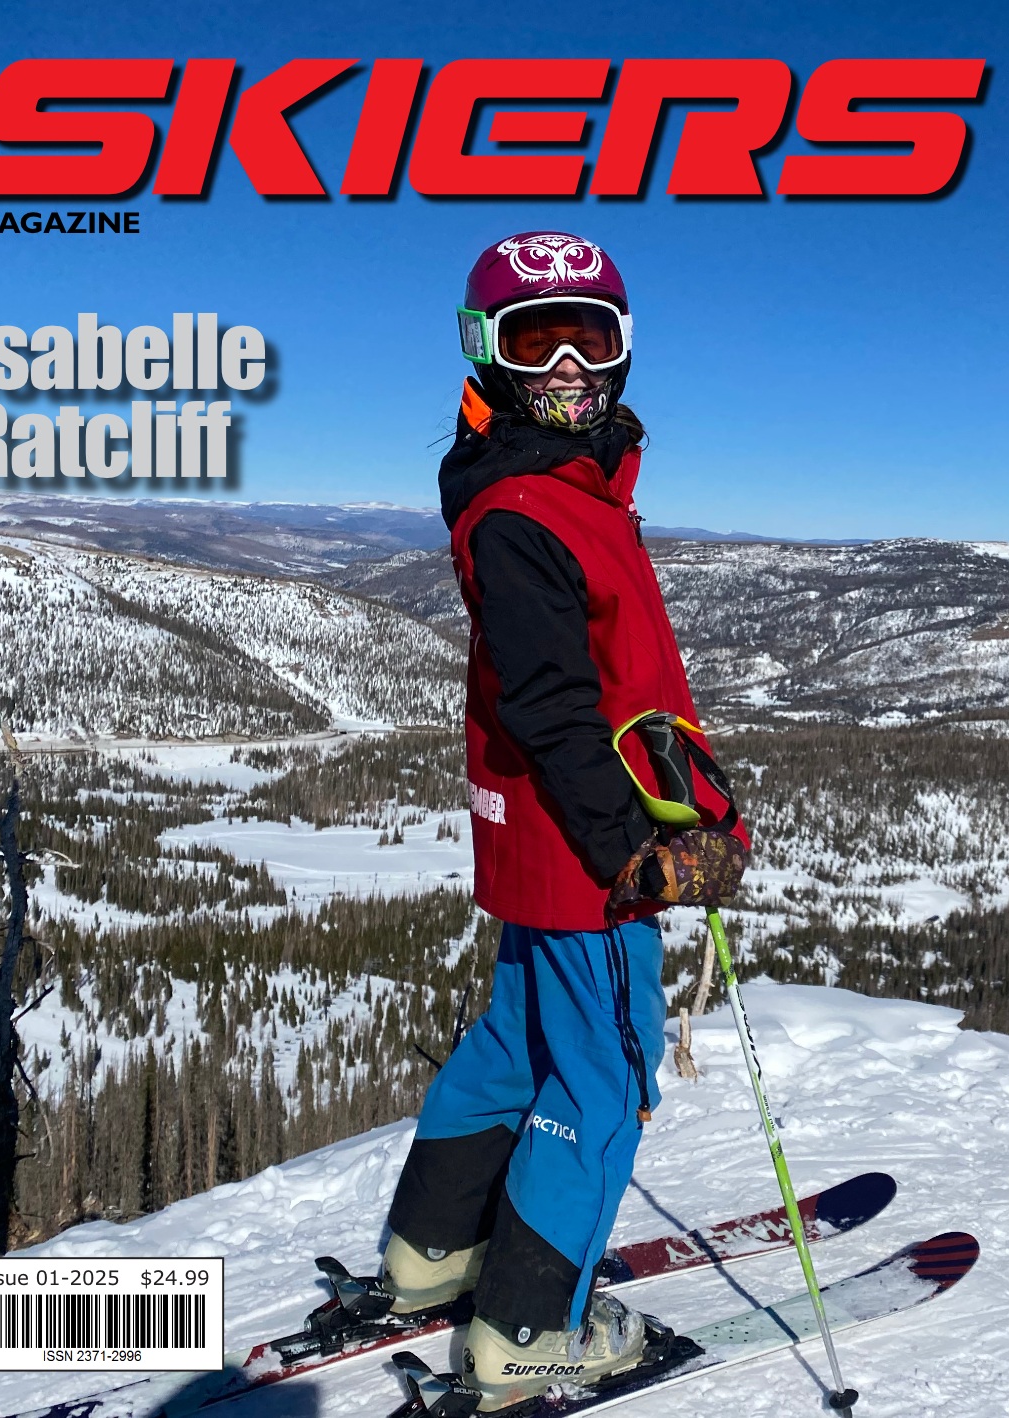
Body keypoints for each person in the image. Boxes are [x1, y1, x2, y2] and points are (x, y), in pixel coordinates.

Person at [376, 230, 748, 1410]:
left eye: (590, 335)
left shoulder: (557, 489)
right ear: (487, 351)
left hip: (540, 841)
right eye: (537, 339)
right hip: (583, 850)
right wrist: (634, 853)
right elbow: (550, 704)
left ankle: (432, 1253)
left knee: (515, 1042)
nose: (569, 367)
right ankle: (529, 1331)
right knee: (601, 1072)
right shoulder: (529, 507)